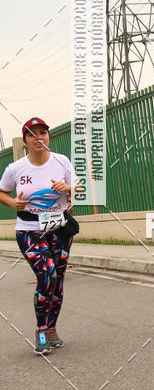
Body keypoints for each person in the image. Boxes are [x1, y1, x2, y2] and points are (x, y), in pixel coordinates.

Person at [0, 117, 79, 355]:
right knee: (48, 274)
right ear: (25, 141)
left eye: (43, 132)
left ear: (49, 136)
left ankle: (52, 329)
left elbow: (77, 187)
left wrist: (68, 190)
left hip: (60, 228)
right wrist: (13, 202)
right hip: (30, 230)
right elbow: (2, 192)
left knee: (58, 281)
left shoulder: (61, 161)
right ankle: (41, 331)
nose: (38, 138)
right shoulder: (16, 168)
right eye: (32, 134)